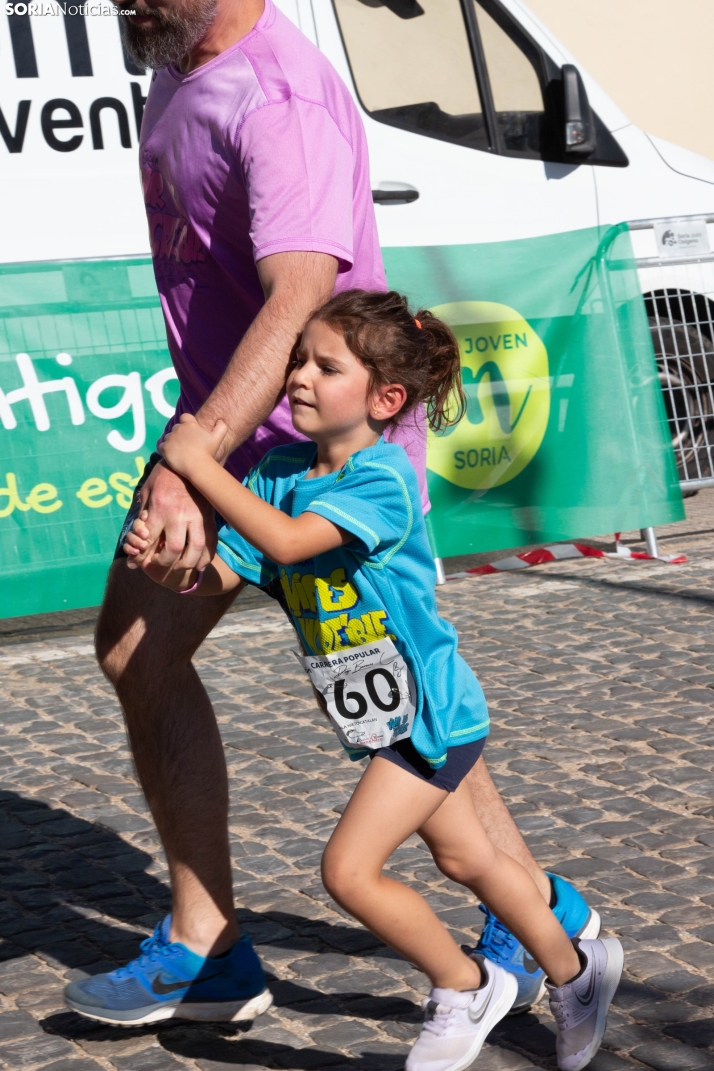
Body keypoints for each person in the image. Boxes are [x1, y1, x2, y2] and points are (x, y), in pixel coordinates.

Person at [70, 0, 599, 1029]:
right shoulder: (180, 58)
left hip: (318, 465)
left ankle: (537, 918)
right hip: (238, 441)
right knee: (146, 650)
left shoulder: (283, 99)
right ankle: (210, 942)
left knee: (410, 720)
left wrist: (193, 462)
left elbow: (299, 293)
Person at [121, 291, 624, 1071]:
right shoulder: (284, 473)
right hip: (379, 722)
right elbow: (227, 568)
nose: (299, 378)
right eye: (298, 361)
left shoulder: (381, 480)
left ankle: (465, 984)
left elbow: (289, 544)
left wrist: (195, 463)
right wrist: (170, 563)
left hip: (429, 715)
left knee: (348, 871)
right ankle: (577, 970)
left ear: (385, 398)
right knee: (473, 862)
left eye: (326, 366)